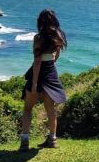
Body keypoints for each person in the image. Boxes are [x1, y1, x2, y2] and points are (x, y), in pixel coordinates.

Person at [20, 9, 68, 151]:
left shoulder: (38, 38)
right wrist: (52, 62)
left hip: (39, 74)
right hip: (51, 73)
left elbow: (37, 61)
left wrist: (34, 83)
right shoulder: (58, 36)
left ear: (40, 22)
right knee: (50, 109)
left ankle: (24, 141)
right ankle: (52, 140)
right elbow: (57, 54)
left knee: (28, 109)